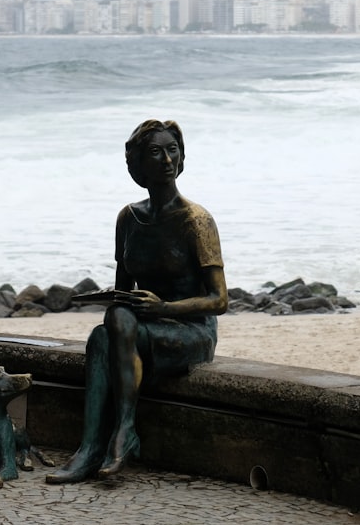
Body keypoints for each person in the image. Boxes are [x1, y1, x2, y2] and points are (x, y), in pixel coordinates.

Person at [46, 119, 228, 483]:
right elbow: (122, 296)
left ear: (182, 157)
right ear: (138, 164)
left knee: (108, 333)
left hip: (190, 329)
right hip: (141, 327)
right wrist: (109, 299)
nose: (166, 159)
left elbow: (219, 300)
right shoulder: (128, 219)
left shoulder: (197, 220)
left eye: (172, 150)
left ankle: (116, 435)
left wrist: (163, 309)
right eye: (155, 152)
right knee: (106, 331)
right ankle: (96, 446)